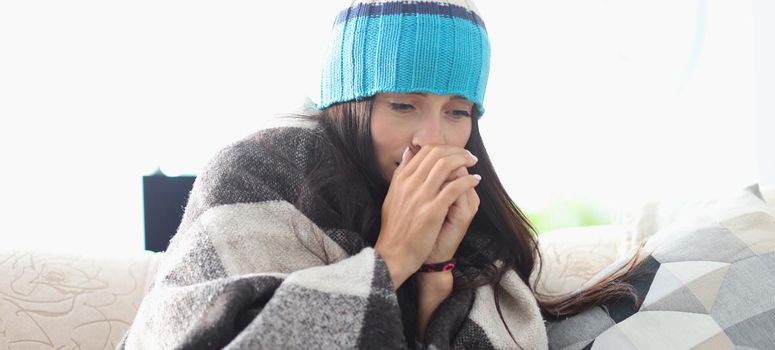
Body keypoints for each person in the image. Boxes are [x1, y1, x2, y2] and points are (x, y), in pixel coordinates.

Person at [119, 1, 646, 349]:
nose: (434, 139)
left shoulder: (472, 215)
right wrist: (392, 258)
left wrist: (436, 266)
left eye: (458, 112)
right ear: (350, 104)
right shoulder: (254, 173)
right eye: (402, 105)